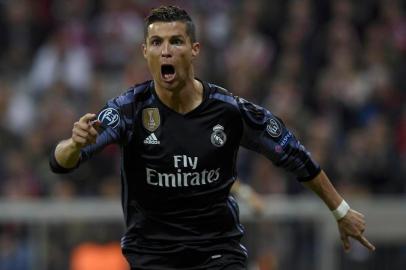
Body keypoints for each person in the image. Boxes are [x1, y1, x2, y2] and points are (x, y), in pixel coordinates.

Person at [50, 5, 375, 270]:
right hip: (152, 256)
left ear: (194, 51)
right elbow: (62, 161)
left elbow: (294, 155)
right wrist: (75, 143)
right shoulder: (128, 110)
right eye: (157, 43)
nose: (166, 51)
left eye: (176, 42)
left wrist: (341, 211)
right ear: (145, 51)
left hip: (217, 253)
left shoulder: (230, 112)